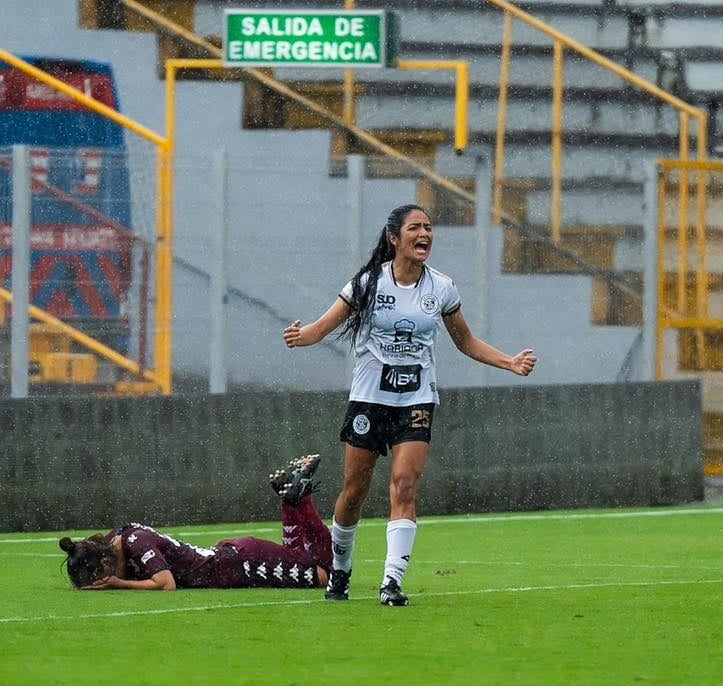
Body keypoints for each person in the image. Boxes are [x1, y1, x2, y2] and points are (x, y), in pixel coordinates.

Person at [282, 204, 537, 607]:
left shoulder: (442, 289)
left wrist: (510, 362)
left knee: (404, 485)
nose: (425, 235)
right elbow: (324, 326)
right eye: (415, 228)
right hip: (368, 400)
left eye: (429, 228)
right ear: (394, 238)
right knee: (354, 492)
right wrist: (302, 335)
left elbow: (465, 342)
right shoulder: (368, 284)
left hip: (416, 400)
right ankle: (341, 570)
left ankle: (391, 582)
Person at [59, 455, 330, 591]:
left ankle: (299, 498)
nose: (102, 585)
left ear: (106, 563)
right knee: (304, 558)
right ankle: (291, 498)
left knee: (325, 575)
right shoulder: (112, 542)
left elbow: (167, 584)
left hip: (243, 564)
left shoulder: (135, 543)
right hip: (232, 559)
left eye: (99, 579)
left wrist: (120, 583)